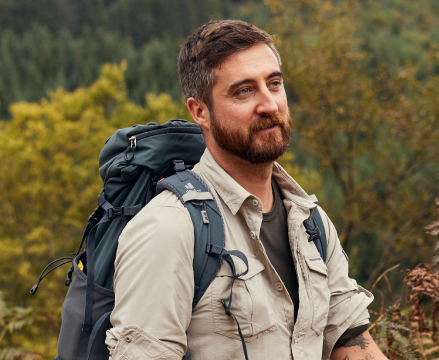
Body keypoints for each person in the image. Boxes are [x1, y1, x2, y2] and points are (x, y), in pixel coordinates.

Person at [105, 20, 389, 360]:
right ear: (200, 112)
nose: (269, 104)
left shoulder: (310, 223)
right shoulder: (169, 229)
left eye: (274, 83)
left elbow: (350, 343)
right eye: (244, 90)